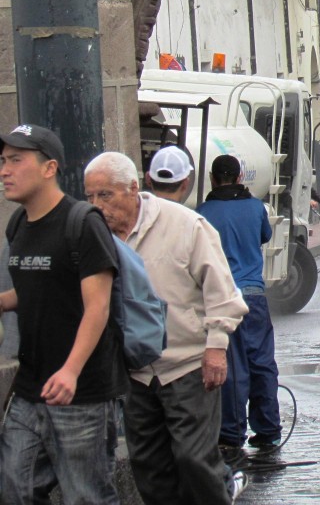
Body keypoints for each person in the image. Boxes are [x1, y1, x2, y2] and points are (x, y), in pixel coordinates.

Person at [84, 151, 249, 505]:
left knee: (194, 460)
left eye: (105, 195)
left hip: (187, 364)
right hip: (135, 372)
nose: (97, 205)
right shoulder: (95, 235)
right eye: (90, 196)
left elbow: (222, 290)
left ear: (133, 188)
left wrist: (216, 346)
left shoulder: (185, 225)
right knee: (150, 467)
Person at [0, 124, 126, 504]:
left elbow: (97, 306)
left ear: (49, 168)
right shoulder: (18, 224)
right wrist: (4, 300)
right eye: (3, 161)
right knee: (14, 488)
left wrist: (70, 370)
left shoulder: (83, 223)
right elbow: (40, 286)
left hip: (81, 391)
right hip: (30, 387)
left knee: (86, 496)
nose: (5, 171)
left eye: (16, 160)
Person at [196, 154, 282, 457]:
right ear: (240, 177)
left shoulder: (203, 213)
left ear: (212, 178)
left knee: (232, 366)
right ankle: (268, 430)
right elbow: (264, 235)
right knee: (262, 362)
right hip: (254, 296)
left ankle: (232, 434)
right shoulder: (256, 207)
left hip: (221, 297)